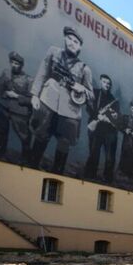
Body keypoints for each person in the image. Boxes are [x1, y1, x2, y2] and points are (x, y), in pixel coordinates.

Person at [28, 26, 94, 174]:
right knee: (41, 135)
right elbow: (42, 73)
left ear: (80, 47)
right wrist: (35, 95)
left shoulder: (85, 69)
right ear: (65, 39)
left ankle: (57, 176)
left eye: (76, 41)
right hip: (48, 101)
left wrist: (81, 88)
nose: (72, 43)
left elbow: (91, 96)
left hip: (69, 111)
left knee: (64, 143)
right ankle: (31, 168)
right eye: (69, 38)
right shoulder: (53, 52)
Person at [0, 51, 32, 162]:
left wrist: (16, 96)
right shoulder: (6, 74)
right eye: (12, 62)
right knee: (2, 133)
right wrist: (1, 99)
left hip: (20, 113)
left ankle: (26, 161)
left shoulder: (28, 80)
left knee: (25, 138)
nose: (14, 65)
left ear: (21, 65)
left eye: (17, 63)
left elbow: (31, 100)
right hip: (4, 108)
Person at [83, 74, 120, 182]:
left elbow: (116, 116)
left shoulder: (113, 100)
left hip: (108, 131)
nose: (107, 85)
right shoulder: (95, 93)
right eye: (104, 82)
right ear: (100, 82)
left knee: (109, 157)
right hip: (96, 128)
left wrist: (108, 118)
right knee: (94, 152)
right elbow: (89, 107)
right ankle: (90, 175)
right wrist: (97, 116)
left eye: (109, 84)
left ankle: (107, 178)